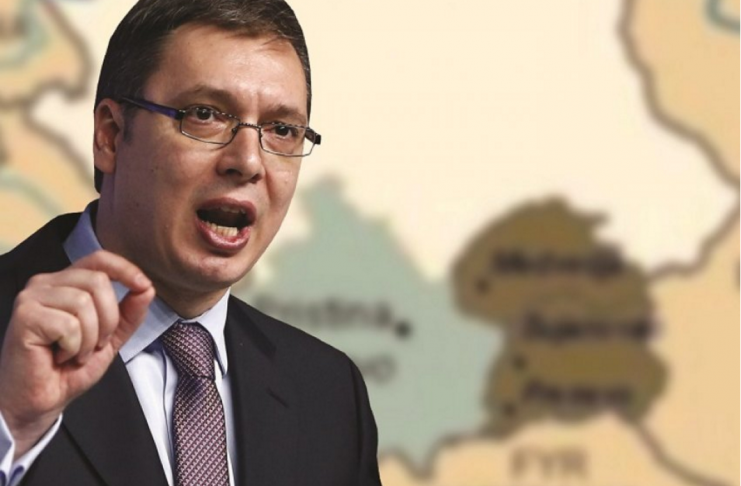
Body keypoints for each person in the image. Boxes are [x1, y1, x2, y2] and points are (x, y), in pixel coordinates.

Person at [0, 0, 382, 485]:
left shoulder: (328, 393)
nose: (248, 161)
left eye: (282, 129)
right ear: (111, 136)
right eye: (205, 115)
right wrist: (11, 426)